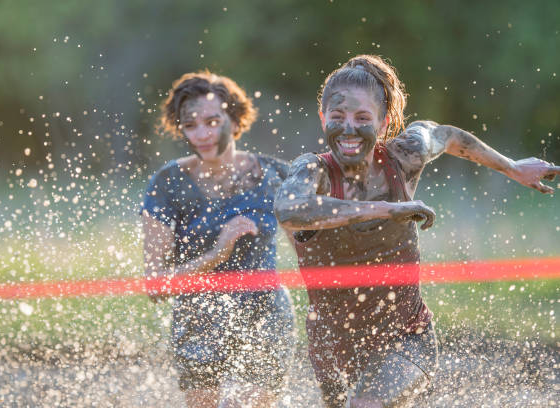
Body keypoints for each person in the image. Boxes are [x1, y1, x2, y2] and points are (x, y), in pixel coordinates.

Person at [274, 54, 559, 408]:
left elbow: (446, 135)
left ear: (383, 123)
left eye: (362, 118)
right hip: (332, 349)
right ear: (323, 119)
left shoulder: (404, 157)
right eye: (337, 117)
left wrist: (512, 167)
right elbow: (289, 208)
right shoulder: (310, 169)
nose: (348, 128)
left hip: (406, 339)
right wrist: (387, 209)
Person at [140, 71, 294, 408]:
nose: (201, 134)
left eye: (212, 121)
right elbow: (155, 287)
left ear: (235, 119)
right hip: (198, 319)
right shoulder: (167, 183)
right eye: (190, 125)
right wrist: (216, 253)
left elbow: (314, 252)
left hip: (265, 315)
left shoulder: (275, 176)